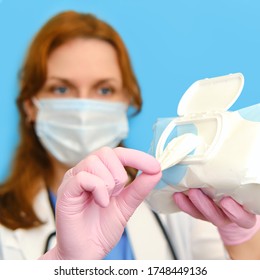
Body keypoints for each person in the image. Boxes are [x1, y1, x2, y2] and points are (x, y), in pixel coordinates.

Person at [0, 10, 260, 260]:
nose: (84, 110)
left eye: (104, 90)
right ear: (30, 106)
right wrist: (61, 264)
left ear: (127, 102)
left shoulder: (180, 204)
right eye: (60, 89)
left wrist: (242, 238)